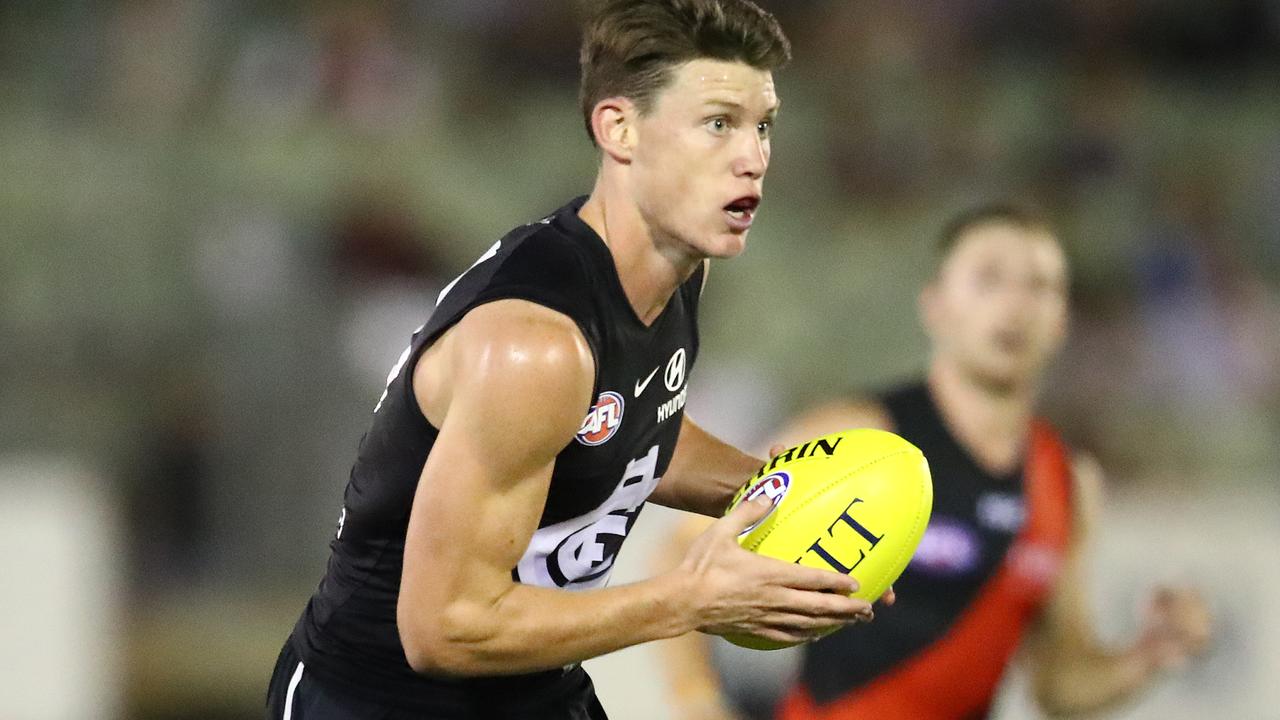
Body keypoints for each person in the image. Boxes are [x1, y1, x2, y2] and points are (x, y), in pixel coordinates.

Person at [265, 2, 890, 719]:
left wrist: (791, 502)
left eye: (763, 125)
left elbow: (624, 428)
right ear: (619, 129)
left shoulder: (675, 273)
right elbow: (441, 629)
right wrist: (689, 599)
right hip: (382, 700)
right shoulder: (535, 347)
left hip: (528, 683)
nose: (752, 157)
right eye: (718, 123)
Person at [659, 205, 1212, 720]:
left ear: (1062, 319)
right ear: (936, 306)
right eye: (989, 279)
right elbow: (683, 551)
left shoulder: (1066, 481)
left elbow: (1057, 682)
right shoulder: (858, 436)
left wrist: (1149, 654)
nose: (1014, 306)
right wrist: (698, 702)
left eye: (1039, 286)